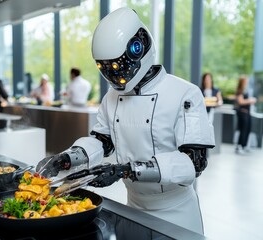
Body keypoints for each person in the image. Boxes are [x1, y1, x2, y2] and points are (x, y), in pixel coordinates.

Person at [36, 8, 215, 234]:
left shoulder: (184, 93)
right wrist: (66, 158)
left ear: (138, 48)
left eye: (118, 66)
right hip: (134, 206)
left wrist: (126, 170)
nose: (114, 75)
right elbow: (102, 141)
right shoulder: (112, 97)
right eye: (106, 68)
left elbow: (194, 162)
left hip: (176, 210)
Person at [235, 75, 256, 154]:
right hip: (242, 113)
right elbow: (241, 102)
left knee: (248, 129)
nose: (247, 82)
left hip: (247, 113)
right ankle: (239, 146)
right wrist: (250, 100)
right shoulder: (240, 90)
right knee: (243, 130)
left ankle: (245, 146)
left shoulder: (246, 90)